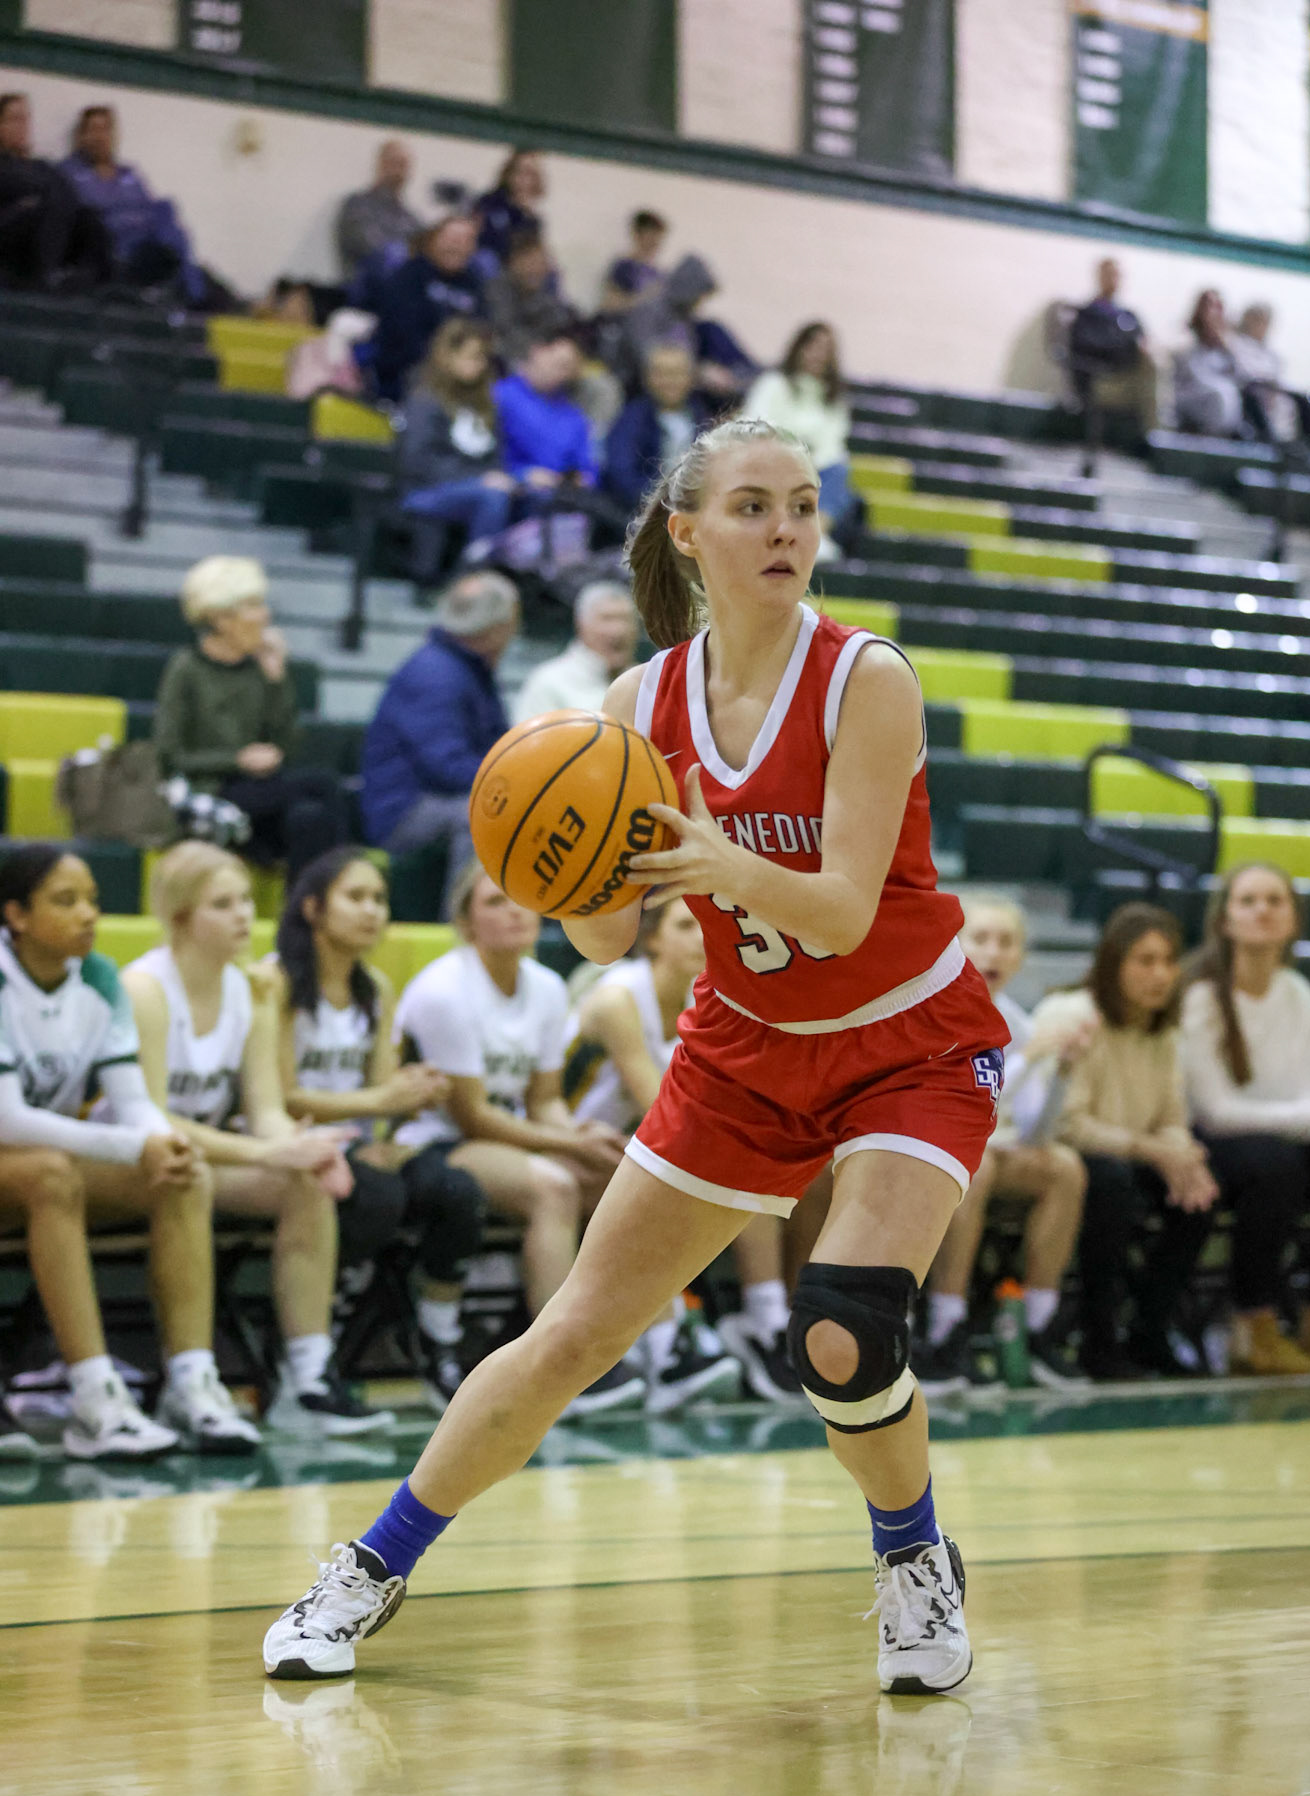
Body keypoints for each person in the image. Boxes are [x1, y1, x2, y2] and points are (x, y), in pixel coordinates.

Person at [263, 415, 1008, 1699]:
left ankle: (910, 1558)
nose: (784, 530)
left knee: (841, 1331)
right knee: (571, 1337)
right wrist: (554, 855)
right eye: (754, 507)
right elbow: (608, 931)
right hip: (744, 1045)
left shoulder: (866, 678)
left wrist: (713, 860)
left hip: (908, 1040)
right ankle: (369, 1566)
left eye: (803, 506)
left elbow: (837, 906)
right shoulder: (634, 706)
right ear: (688, 531)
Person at [121, 843, 391, 1436]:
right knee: (201, 1171)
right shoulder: (144, 989)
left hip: (207, 1156)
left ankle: (308, 1379)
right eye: (223, 904)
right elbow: (149, 1117)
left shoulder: (252, 990)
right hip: (135, 1159)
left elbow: (265, 1109)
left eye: (246, 900)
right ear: (180, 917)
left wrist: (304, 1145)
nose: (244, 915)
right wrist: (269, 1150)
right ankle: (190, 1381)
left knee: (307, 1179)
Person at [0, 844, 235, 1462]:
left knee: (184, 1176)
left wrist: (161, 1142)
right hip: (17, 1153)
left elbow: (132, 1101)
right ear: (16, 915)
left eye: (94, 901)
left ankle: (192, 1383)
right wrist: (137, 1143)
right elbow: (8, 1118)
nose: (88, 915)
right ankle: (95, 1397)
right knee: (52, 1173)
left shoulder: (99, 978)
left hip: (29, 1167)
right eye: (65, 900)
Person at [389, 863, 640, 1416]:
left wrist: (578, 1132)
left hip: (508, 1137)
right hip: (431, 1141)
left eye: (522, 900)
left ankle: (656, 1347)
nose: (514, 912)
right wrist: (566, 1146)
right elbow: (473, 1116)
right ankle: (559, 1365)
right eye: (495, 902)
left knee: (624, 1177)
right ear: (465, 921)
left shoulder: (547, 987)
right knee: (552, 1186)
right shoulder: (444, 991)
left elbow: (543, 1100)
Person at [266, 849, 487, 1409]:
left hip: (354, 1142)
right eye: (355, 897)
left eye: (379, 900)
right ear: (313, 908)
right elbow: (284, 1095)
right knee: (378, 1197)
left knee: (455, 1191)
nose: (371, 911)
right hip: (285, 1144)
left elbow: (381, 1095)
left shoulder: (378, 990)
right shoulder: (278, 982)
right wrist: (381, 1101)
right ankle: (314, 1342)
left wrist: (413, 1094)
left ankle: (437, 1339)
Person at [566, 899, 792, 1408]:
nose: (701, 937)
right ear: (651, 939)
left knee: (753, 1166)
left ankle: (767, 1321)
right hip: (566, 1140)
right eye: (685, 925)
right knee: (691, 1171)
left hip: (626, 1147)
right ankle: (669, 1346)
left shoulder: (712, 999)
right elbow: (661, 1112)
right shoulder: (619, 999)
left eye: (706, 926)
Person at [1181, 864, 1310, 1376]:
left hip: (1278, 1135)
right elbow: (1215, 1112)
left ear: (1293, 919)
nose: (1262, 910)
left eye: (1274, 901)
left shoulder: (1299, 993)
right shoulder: (1202, 996)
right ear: (1225, 920)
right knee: (1278, 1168)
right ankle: (1251, 1326)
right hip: (1210, 1140)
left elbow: (1306, 1091)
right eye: (1248, 901)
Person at [1036, 904, 1217, 1380]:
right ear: (1113, 962)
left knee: (1197, 1197)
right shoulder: (1076, 1015)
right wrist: (1155, 1149)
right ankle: (1099, 1339)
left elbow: (1173, 1118)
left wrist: (1181, 1153)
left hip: (1132, 1153)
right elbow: (1066, 1125)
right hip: (1068, 1160)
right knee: (1112, 1185)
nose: (1160, 974)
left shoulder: (1165, 1032)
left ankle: (1150, 1332)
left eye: (1168, 961)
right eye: (1145, 960)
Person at [921, 894, 1088, 1391]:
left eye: (1006, 942)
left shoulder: (1018, 1022)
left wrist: (1059, 1071)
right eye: (982, 939)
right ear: (956, 947)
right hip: (926, 1146)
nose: (993, 953)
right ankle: (944, 1325)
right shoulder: (933, 1008)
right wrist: (1026, 1060)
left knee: (1064, 1167)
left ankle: (1038, 1323)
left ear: (1020, 957)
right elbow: (966, 1105)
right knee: (979, 1166)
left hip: (986, 1147)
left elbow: (1036, 1128)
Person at [154, 557, 350, 882]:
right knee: (322, 785)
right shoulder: (186, 668)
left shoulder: (259, 668)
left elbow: (287, 745)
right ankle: (333, 893)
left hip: (262, 792)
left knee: (310, 819)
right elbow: (170, 754)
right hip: (211, 791)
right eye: (253, 606)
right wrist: (237, 760)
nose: (265, 615)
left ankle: (306, 912)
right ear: (221, 618)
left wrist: (277, 680)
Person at [360, 571, 517, 893]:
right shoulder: (436, 674)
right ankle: (466, 930)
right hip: (404, 808)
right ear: (495, 627)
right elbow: (445, 766)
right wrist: (515, 787)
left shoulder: (469, 667)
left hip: (434, 795)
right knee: (481, 817)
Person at [397, 319, 514, 587]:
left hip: (471, 488)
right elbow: (417, 460)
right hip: (423, 490)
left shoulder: (486, 405)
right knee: (491, 497)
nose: (480, 365)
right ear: (448, 355)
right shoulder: (425, 400)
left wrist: (502, 477)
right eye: (473, 356)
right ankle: (470, 580)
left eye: (484, 358)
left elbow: (496, 456)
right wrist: (479, 478)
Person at [60, 105, 207, 304]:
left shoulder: (129, 174)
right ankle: (190, 293)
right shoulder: (70, 172)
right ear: (81, 136)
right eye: (94, 129)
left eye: (105, 129)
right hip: (112, 246)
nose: (100, 137)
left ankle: (189, 290)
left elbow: (150, 209)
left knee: (165, 211)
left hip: (147, 242)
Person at [743, 323, 854, 559]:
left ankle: (814, 534)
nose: (818, 354)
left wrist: (806, 461)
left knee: (840, 471)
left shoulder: (834, 398)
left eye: (826, 348)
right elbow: (754, 425)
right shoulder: (772, 384)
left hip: (813, 468)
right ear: (799, 347)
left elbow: (833, 444)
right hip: (771, 462)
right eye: (812, 346)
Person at [0, 90, 109, 293]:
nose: (22, 126)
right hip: (10, 228)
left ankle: (99, 286)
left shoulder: (41, 166)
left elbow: (68, 195)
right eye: (14, 119)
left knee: (89, 217)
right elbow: (16, 186)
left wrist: (39, 197)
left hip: (44, 221)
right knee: (47, 205)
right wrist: (37, 198)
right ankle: (46, 278)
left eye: (25, 119)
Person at [371, 212, 488, 401]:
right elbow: (404, 336)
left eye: (466, 240)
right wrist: (449, 362)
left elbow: (483, 330)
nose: (458, 246)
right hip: (412, 371)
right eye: (452, 239)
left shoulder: (473, 284)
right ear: (433, 240)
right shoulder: (409, 277)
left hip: (465, 369)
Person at [618, 254, 755, 399]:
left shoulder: (684, 318)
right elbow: (650, 358)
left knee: (713, 330)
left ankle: (747, 375)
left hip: (685, 380)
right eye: (698, 297)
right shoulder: (648, 310)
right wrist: (698, 371)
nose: (698, 303)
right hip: (648, 385)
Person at [1227, 305, 1310, 455]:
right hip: (1259, 398)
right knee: (1305, 403)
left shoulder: (1266, 351)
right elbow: (1249, 375)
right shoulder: (1237, 344)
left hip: (1277, 395)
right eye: (1260, 321)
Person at [602, 343, 709, 517]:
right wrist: (666, 500)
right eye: (661, 374)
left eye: (677, 373)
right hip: (646, 514)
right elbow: (621, 475)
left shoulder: (705, 418)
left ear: (692, 377)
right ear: (647, 378)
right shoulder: (631, 420)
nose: (670, 381)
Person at [517, 583, 639, 721]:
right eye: (607, 619)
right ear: (580, 624)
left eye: (626, 619)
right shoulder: (548, 683)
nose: (619, 630)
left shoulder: (647, 682)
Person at [494, 329, 598, 491]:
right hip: (517, 491)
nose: (562, 374)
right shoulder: (499, 396)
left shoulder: (573, 415)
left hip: (565, 495)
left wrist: (583, 478)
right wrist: (522, 474)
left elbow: (587, 466)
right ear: (537, 351)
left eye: (568, 368)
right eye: (559, 364)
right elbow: (482, 456)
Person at [1066, 258, 1157, 435]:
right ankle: (1153, 438)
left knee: (1155, 365)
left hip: (1133, 379)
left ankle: (1155, 436)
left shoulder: (1129, 316)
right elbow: (1090, 348)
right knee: (1151, 387)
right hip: (1102, 381)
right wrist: (1129, 346)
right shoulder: (1088, 315)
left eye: (1118, 275)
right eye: (1110, 274)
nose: (1114, 279)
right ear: (1099, 277)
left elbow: (1145, 341)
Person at [1173, 290, 1262, 440]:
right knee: (1221, 394)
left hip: (1225, 405)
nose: (1213, 313)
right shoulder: (1185, 337)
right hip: (1188, 393)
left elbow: (1248, 376)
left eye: (1218, 307)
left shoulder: (1231, 343)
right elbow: (1188, 371)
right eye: (1208, 306)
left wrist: (1225, 345)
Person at [485, 224, 577, 369]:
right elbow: (506, 329)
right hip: (513, 357)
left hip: (548, 357)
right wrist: (540, 353)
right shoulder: (498, 288)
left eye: (542, 263)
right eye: (531, 263)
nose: (538, 269)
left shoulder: (547, 290)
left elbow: (560, 325)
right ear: (513, 263)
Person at [336, 139, 423, 284]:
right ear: (380, 164)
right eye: (395, 162)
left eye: (404, 165)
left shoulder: (411, 218)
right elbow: (376, 251)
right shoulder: (358, 206)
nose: (399, 171)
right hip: (363, 295)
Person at [476, 149, 546, 266]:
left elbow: (528, 250)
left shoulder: (532, 218)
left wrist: (525, 215)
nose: (524, 180)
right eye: (519, 172)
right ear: (509, 174)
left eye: (530, 174)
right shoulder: (489, 202)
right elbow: (485, 240)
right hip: (491, 261)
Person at [600, 209, 668, 311]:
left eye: (658, 238)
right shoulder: (624, 267)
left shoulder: (659, 274)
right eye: (650, 237)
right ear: (636, 235)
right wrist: (645, 297)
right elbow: (609, 306)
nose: (655, 243)